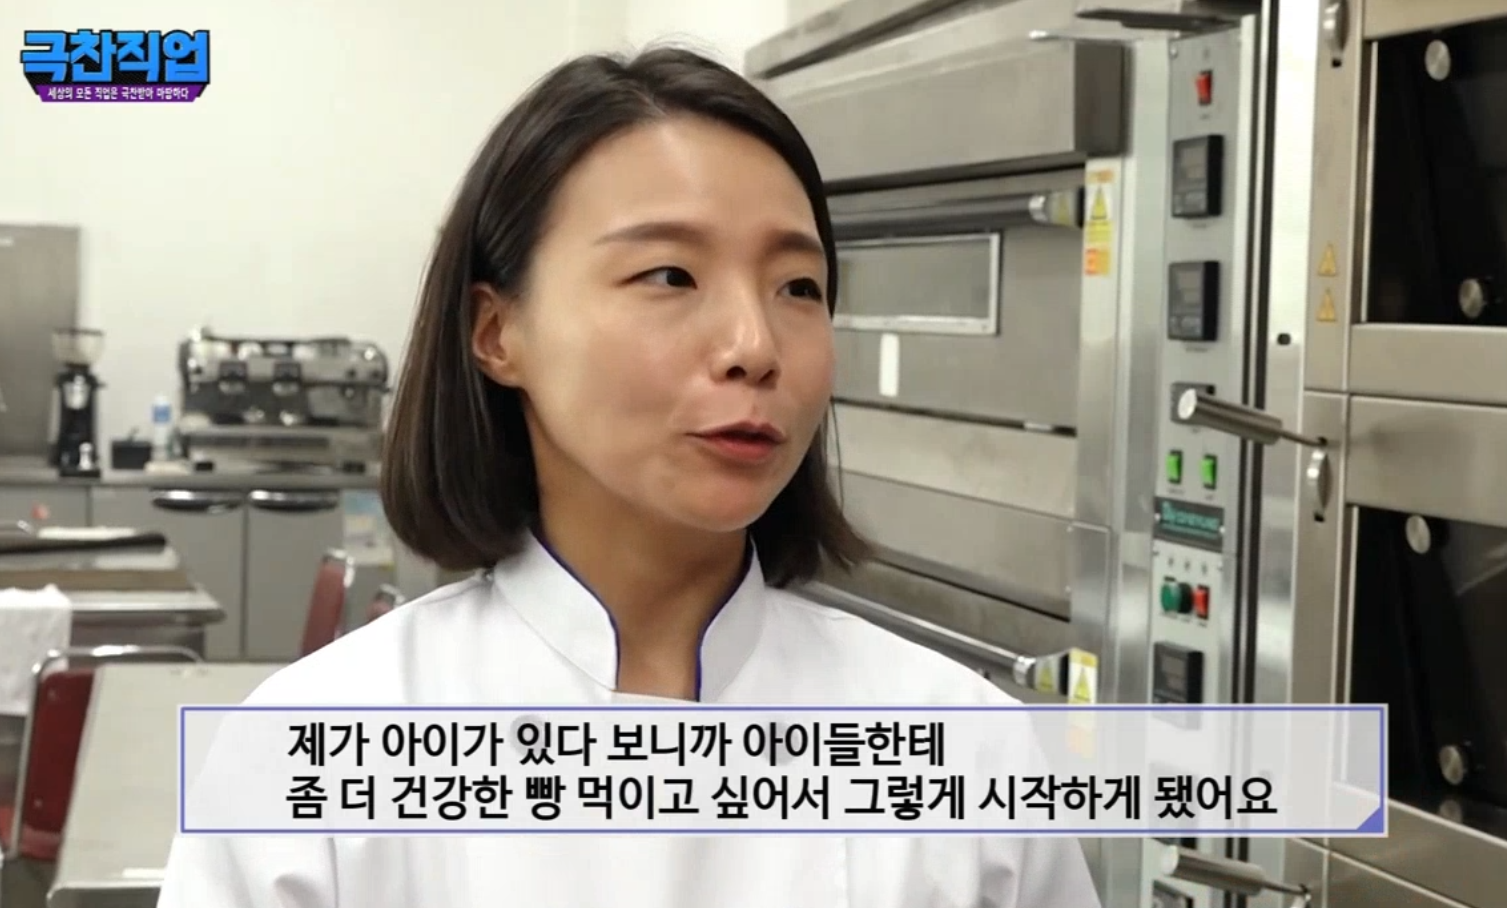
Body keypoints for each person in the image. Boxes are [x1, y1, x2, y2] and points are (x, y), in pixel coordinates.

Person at [156, 46, 1102, 908]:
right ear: (497, 332)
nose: (754, 346)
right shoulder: (311, 757)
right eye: (669, 276)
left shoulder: (958, 745)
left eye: (798, 287)